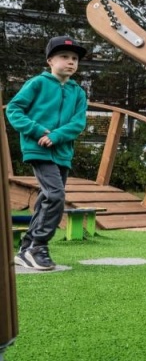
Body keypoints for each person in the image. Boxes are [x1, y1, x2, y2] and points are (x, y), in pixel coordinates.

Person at [7, 36, 88, 271]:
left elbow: (78, 122)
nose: (70, 62)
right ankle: (38, 247)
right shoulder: (37, 84)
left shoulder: (78, 92)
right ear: (50, 60)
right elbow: (14, 109)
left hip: (62, 151)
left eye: (74, 59)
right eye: (64, 57)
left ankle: (26, 248)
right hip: (38, 149)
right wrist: (38, 131)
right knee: (55, 195)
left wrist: (56, 136)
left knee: (47, 197)